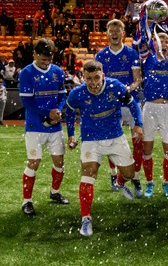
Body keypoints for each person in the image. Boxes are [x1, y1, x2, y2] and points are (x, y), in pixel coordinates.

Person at [65, 60, 143, 236]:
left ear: (103, 76)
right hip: (91, 139)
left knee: (130, 174)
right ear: (83, 77)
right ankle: (86, 219)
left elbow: (132, 104)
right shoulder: (77, 94)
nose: (93, 83)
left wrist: (138, 124)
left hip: (115, 136)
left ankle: (120, 182)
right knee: (88, 174)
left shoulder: (115, 87)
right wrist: (70, 134)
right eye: (88, 79)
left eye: (96, 78)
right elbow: (69, 112)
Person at [18, 38, 68, 216]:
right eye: (43, 59)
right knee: (34, 162)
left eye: (49, 59)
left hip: (55, 127)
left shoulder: (57, 71)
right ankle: (27, 201)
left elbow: (62, 95)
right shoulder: (26, 73)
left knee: (59, 162)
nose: (46, 63)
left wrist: (59, 111)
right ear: (35, 55)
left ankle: (54, 192)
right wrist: (47, 113)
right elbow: (27, 102)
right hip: (34, 126)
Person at [95, 19, 143, 196]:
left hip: (131, 101)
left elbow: (137, 79)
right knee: (110, 140)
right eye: (111, 30)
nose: (114, 33)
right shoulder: (100, 56)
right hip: (111, 104)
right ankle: (114, 175)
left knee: (138, 140)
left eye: (118, 30)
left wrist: (127, 90)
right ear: (107, 33)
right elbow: (99, 80)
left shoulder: (131, 54)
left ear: (123, 33)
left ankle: (136, 178)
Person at [141, 27, 168, 199]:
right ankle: (149, 182)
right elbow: (140, 40)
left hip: (167, 108)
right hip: (150, 107)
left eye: (167, 41)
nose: (164, 43)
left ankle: (166, 183)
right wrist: (145, 22)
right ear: (153, 43)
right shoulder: (147, 59)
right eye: (160, 40)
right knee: (147, 149)